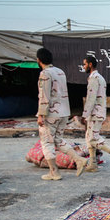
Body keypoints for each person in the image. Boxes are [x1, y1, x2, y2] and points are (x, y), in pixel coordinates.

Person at [35, 48, 87, 180]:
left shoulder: (45, 74)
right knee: (58, 140)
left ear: (39, 60)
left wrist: (41, 114)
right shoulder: (60, 72)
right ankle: (79, 160)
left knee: (47, 142)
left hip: (51, 114)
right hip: (64, 112)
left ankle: (54, 172)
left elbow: (44, 96)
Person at [77, 56, 110, 172]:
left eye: (84, 64)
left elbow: (91, 98)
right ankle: (93, 163)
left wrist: (85, 115)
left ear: (90, 64)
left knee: (93, 139)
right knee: (89, 138)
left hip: (94, 113)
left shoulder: (94, 78)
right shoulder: (100, 78)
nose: (83, 66)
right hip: (97, 112)